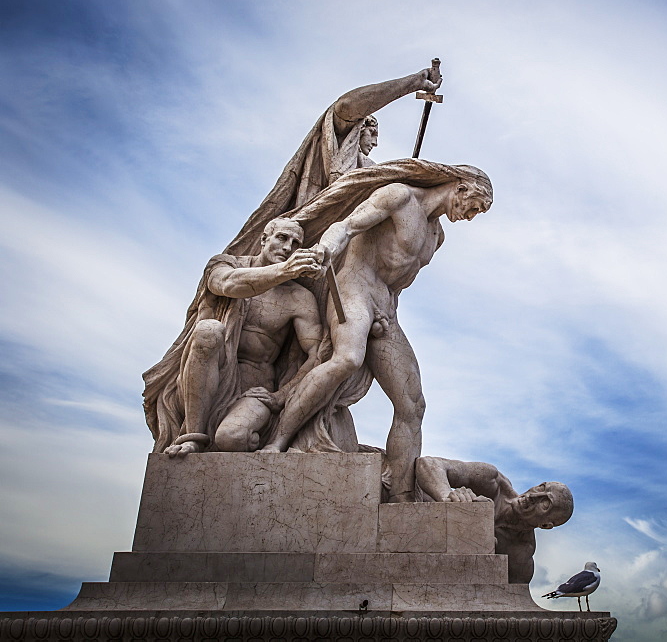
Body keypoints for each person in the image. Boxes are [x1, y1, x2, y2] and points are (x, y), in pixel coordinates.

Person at [256, 160, 493, 506]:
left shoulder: (435, 236)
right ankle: (276, 441)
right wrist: (325, 249)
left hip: (385, 308)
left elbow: (396, 280)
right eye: (474, 206)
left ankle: (399, 495)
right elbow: (347, 226)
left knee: (413, 404)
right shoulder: (399, 197)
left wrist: (387, 308)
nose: (471, 216)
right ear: (460, 187)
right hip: (354, 289)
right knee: (348, 358)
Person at [143, 218, 325, 455]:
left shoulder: (299, 298)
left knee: (233, 438)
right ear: (263, 239)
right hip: (206, 379)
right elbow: (227, 284)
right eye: (282, 238)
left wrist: (281, 395)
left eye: (295, 243)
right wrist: (283, 271)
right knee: (209, 330)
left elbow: (316, 355)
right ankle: (193, 437)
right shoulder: (224, 265)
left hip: (255, 388)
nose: (288, 248)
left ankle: (245, 432)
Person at [225, 64, 442, 258]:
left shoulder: (369, 170)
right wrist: (413, 83)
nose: (375, 143)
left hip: (339, 248)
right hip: (301, 238)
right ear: (359, 129)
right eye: (372, 133)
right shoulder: (336, 144)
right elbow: (346, 105)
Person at [414, 456, 574, 584]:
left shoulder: (520, 553)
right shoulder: (492, 482)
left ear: (545, 525)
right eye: (541, 488)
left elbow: (509, 601)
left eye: (545, 503)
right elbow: (428, 463)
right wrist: (447, 497)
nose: (533, 496)